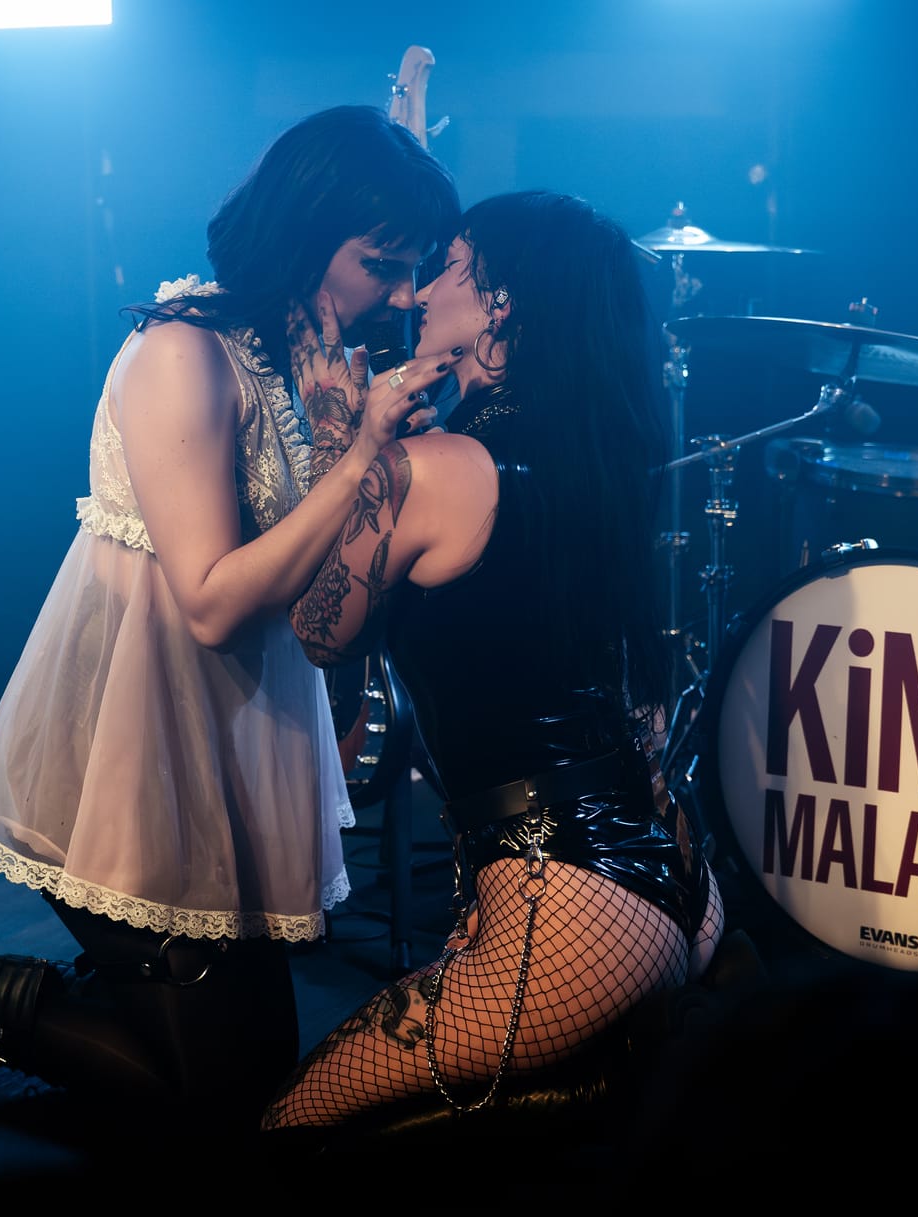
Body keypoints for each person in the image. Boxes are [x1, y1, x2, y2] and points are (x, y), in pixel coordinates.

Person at [0, 104, 461, 1135]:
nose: (400, 293)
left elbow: (308, 574)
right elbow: (210, 602)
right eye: (381, 264)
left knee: (248, 1071)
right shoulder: (184, 353)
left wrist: (360, 447)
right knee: (219, 1099)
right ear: (305, 235)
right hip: (136, 747)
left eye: (414, 268)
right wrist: (360, 463)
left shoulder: (287, 358)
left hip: (221, 743)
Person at [258, 190, 726, 1134]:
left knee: (290, 1126)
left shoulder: (437, 467)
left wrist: (343, 437)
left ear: (499, 304)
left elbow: (319, 629)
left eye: (449, 268)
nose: (419, 291)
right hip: (678, 879)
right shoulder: (589, 453)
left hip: (571, 908)